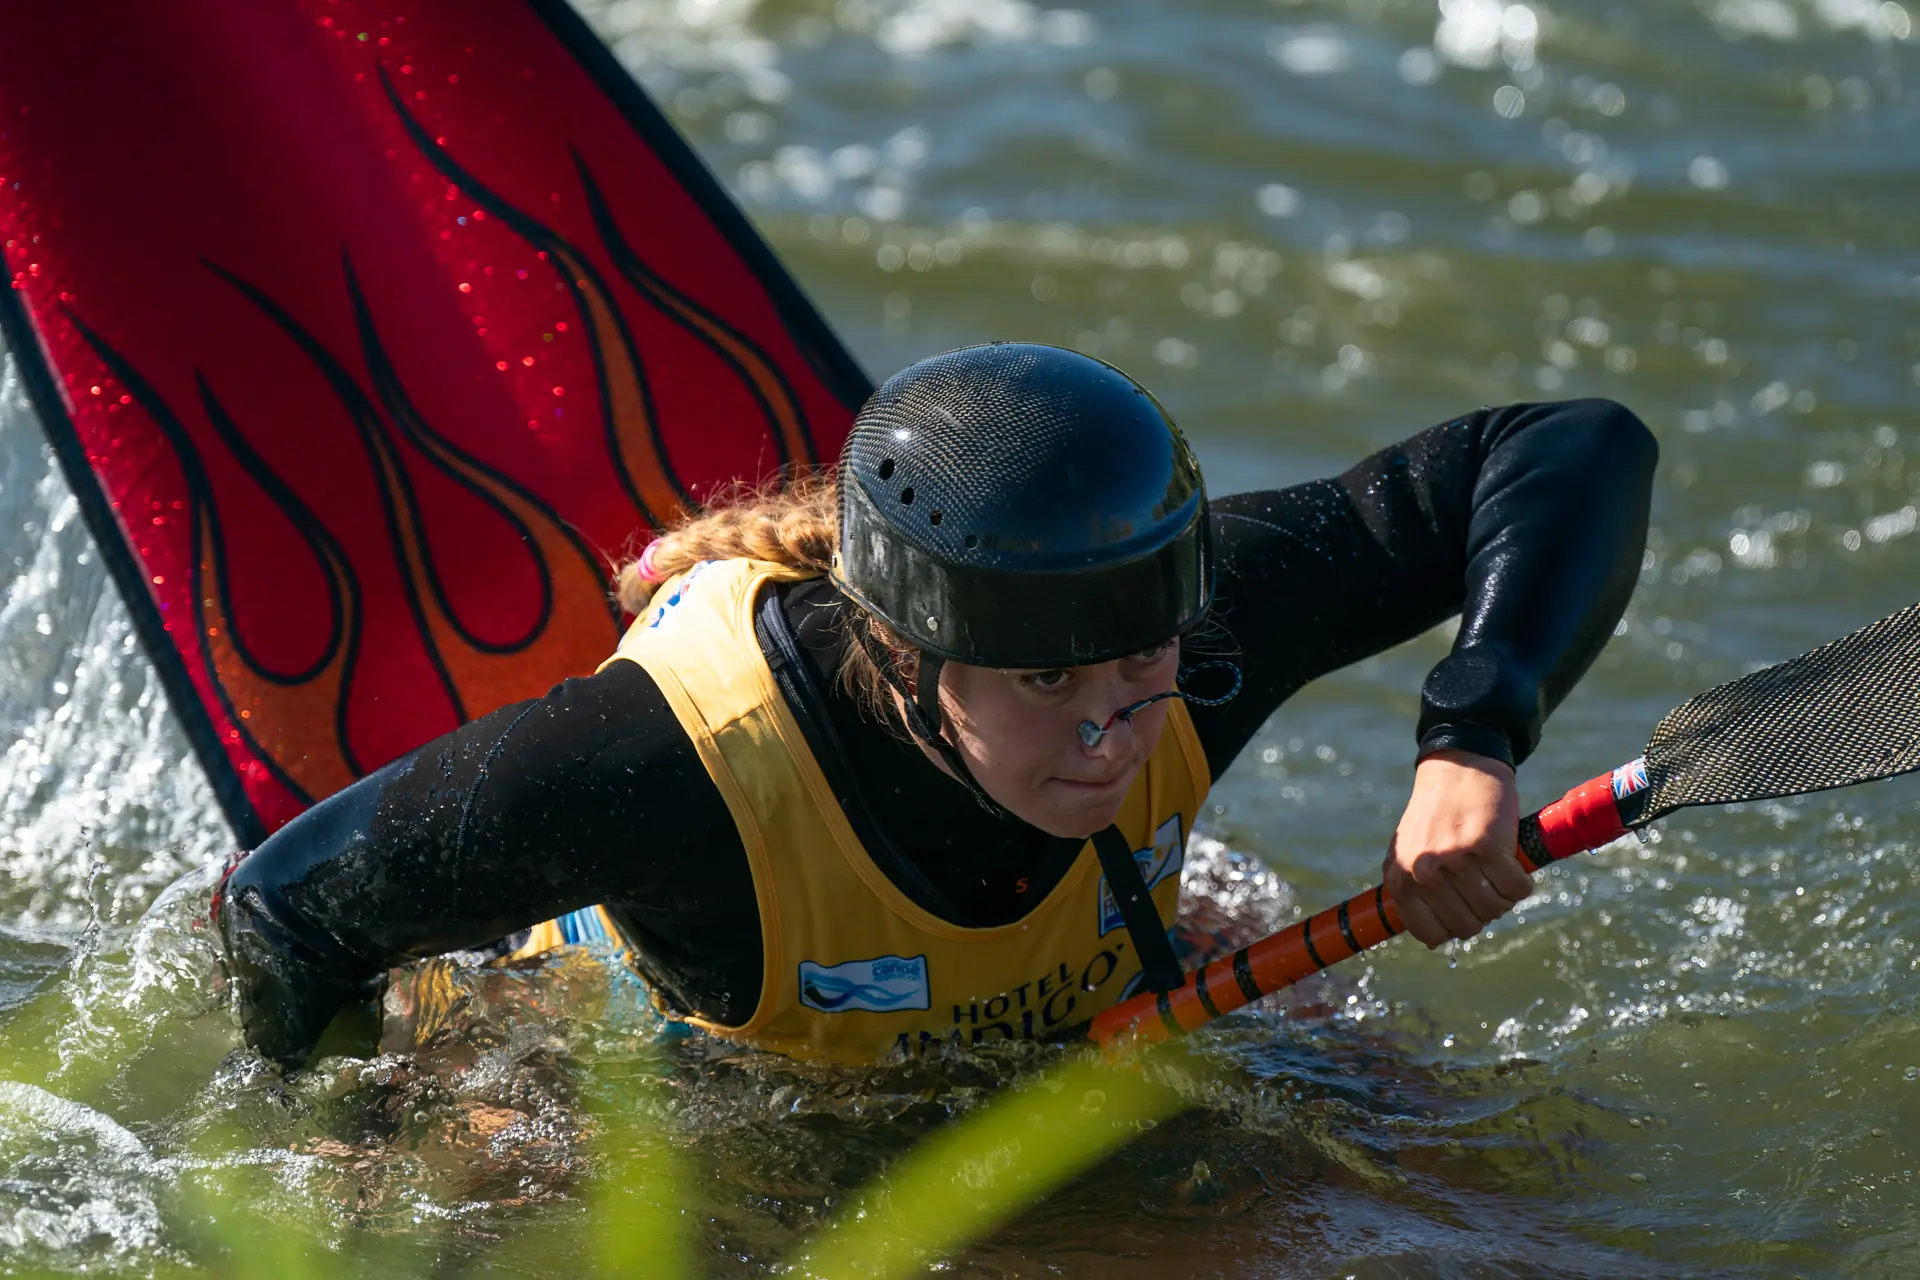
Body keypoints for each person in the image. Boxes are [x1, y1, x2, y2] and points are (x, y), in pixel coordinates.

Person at [217, 343, 1656, 1067]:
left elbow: (1570, 446)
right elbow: (286, 907)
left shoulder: (1195, 636)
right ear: (902, 660)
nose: (1115, 731)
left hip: (1097, 1013)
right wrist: (355, 1143)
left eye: (1137, 668)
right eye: (1044, 684)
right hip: (702, 1097)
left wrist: (1473, 733)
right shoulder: (666, 770)